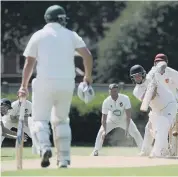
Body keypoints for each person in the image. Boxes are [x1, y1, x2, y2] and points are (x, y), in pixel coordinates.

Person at [17, 5, 93, 168]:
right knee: (61, 120)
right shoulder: (71, 35)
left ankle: (44, 147)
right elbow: (87, 55)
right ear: (60, 18)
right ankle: (64, 160)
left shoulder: (38, 35)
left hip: (44, 82)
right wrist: (87, 77)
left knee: (40, 119)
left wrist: (23, 85)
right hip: (66, 83)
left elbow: (29, 62)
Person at [130, 64, 178, 157]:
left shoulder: (151, 76)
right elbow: (149, 98)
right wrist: (153, 88)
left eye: (139, 75)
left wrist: (159, 69)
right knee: (149, 129)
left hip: (169, 105)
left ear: (143, 74)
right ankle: (145, 151)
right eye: (135, 77)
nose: (137, 78)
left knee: (162, 126)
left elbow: (162, 64)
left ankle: (161, 151)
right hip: (156, 110)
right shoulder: (136, 91)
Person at [147, 53, 178, 156]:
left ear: (166, 63)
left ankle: (173, 150)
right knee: (154, 128)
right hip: (158, 105)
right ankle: (161, 149)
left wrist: (175, 98)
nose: (159, 64)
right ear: (154, 63)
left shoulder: (173, 73)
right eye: (157, 62)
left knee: (173, 127)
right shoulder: (151, 73)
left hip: (171, 105)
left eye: (161, 62)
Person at [91, 83, 143, 156]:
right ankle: (96, 150)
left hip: (124, 120)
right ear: (109, 92)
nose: (113, 93)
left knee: (135, 132)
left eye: (115, 91)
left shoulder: (125, 98)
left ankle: (143, 150)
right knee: (101, 132)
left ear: (118, 91)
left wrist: (127, 129)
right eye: (111, 91)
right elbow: (104, 118)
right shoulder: (106, 101)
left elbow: (128, 115)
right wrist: (104, 131)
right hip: (111, 120)